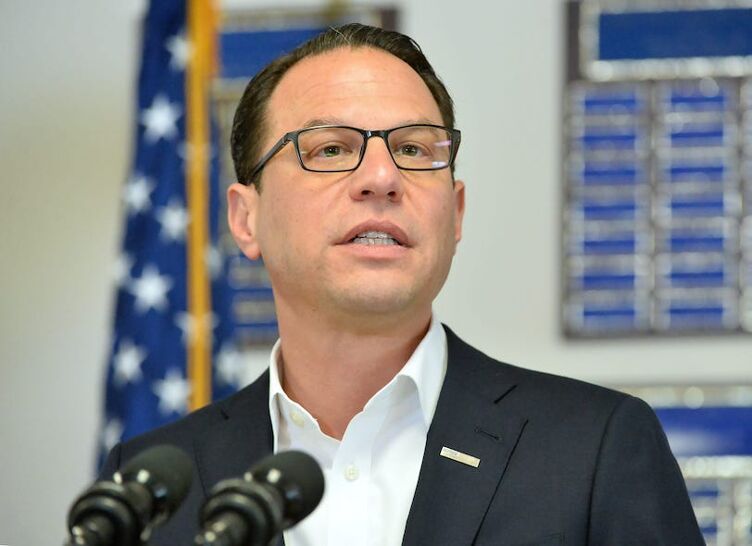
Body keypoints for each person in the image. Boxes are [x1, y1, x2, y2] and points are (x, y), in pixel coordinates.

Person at [100, 23, 704, 545]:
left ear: (456, 213)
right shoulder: (152, 484)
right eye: (331, 148)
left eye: (415, 149)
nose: (383, 177)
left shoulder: (595, 448)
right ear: (245, 219)